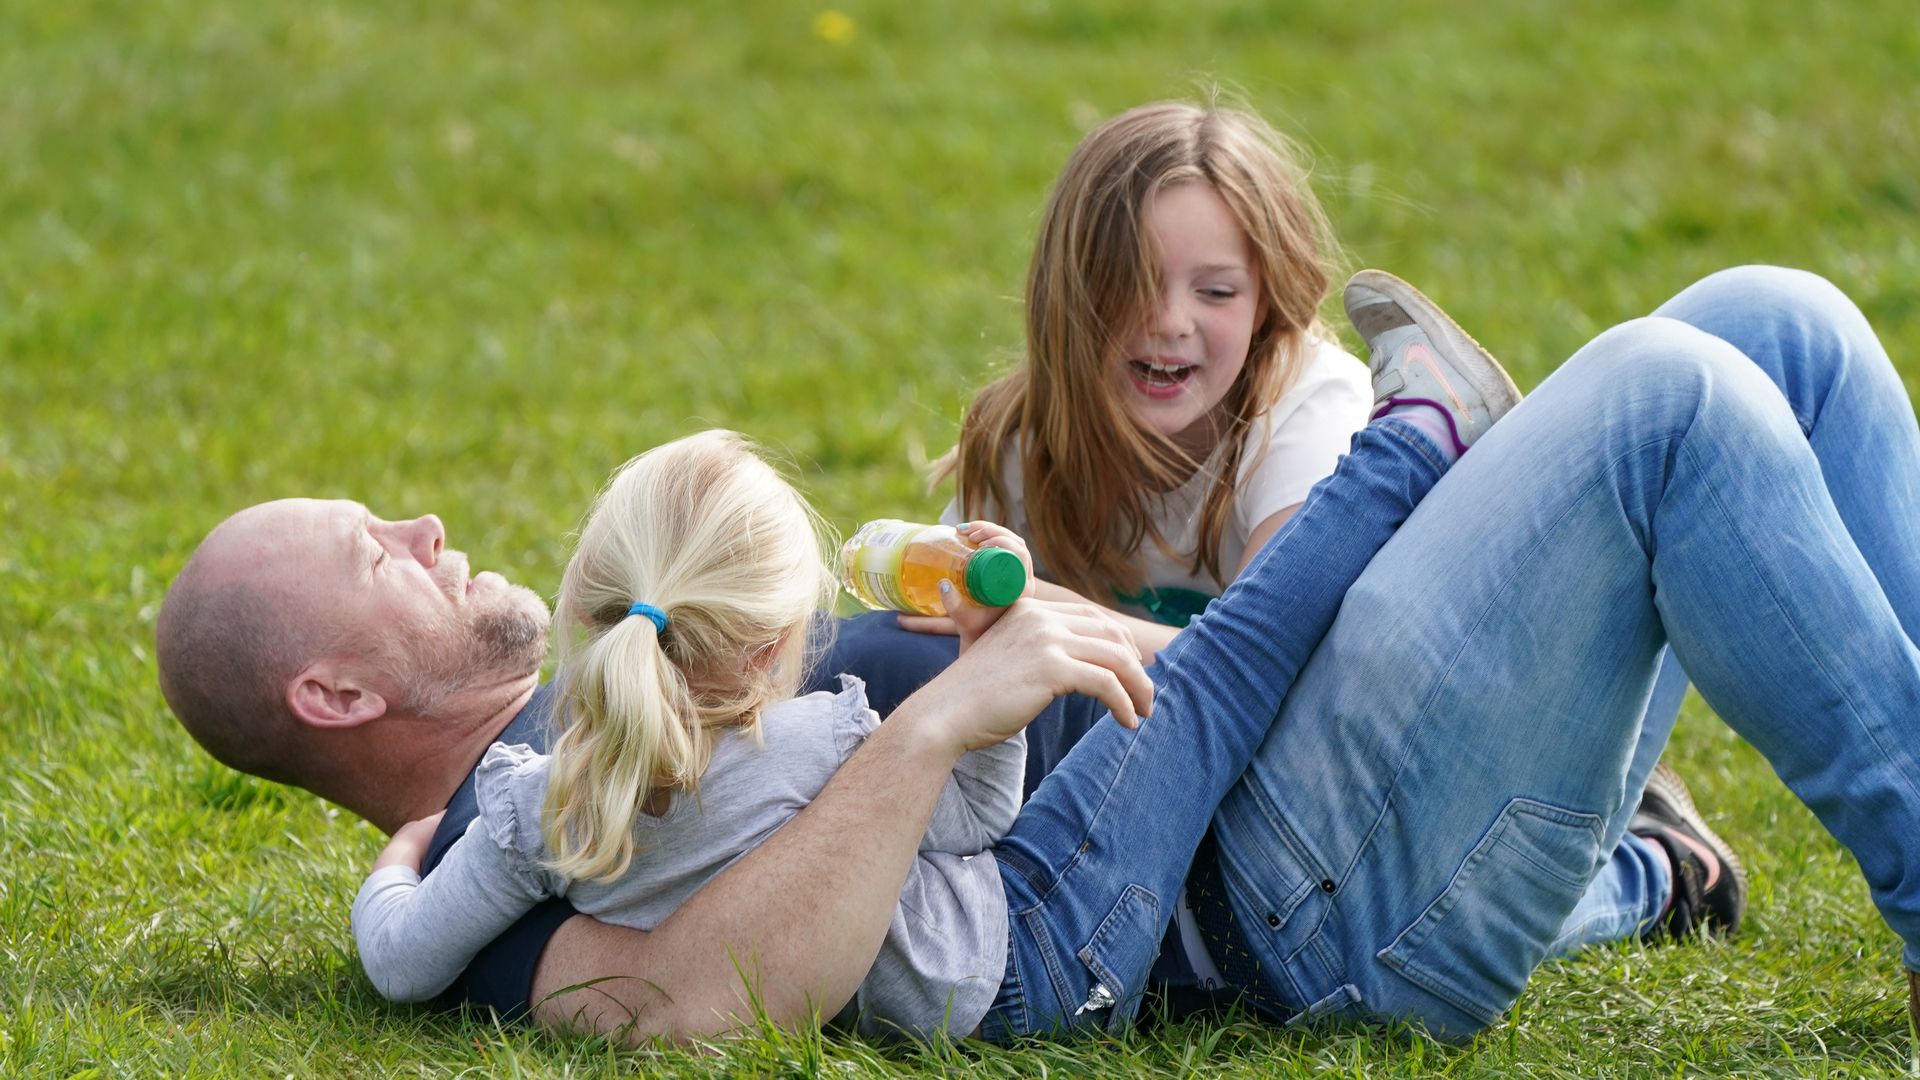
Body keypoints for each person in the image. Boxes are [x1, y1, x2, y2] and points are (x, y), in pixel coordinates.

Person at [158, 261, 1920, 1041]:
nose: (414, 525)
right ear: (337, 693)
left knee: (1781, 321)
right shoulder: (501, 868)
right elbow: (698, 1011)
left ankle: (1634, 864)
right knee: (1670, 399)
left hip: (1262, 755)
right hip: (1278, 891)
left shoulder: (589, 705)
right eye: (362, 552)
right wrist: (940, 730)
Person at [343, 276, 1518, 1040]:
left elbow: (399, 963)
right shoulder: (828, 740)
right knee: (1215, 675)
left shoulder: (532, 815)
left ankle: (1420, 457)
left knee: (1222, 678)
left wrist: (400, 865)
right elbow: (972, 825)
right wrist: (985, 675)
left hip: (1007, 976)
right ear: (775, 648)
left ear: (589, 610)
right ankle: (1415, 442)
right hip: (1032, 947)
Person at [905, 100, 1729, 968]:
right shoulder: (1026, 438)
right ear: (1069, 292)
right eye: (1130, 282)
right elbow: (964, 631)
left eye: (1214, 291)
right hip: (1177, 782)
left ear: (1268, 301)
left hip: (1357, 778)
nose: (1168, 319)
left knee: (1409, 915)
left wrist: (1056, 626)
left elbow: (1271, 666)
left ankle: (1657, 869)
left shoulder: (1309, 411)